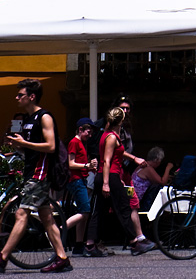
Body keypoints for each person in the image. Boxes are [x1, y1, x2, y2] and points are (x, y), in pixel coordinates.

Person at [0, 78, 72, 274]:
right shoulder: (27, 120)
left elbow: (51, 146)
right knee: (46, 217)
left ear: (32, 97)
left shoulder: (44, 117)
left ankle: (2, 257)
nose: (16, 98)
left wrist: (25, 144)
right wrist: (17, 145)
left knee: (21, 213)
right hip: (32, 171)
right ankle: (62, 258)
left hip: (40, 173)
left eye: (20, 95)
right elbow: (29, 150)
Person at [90, 107, 154, 254]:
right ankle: (134, 243)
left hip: (106, 175)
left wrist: (133, 159)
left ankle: (90, 244)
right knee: (124, 208)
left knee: (99, 211)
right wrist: (107, 183)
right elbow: (107, 160)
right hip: (110, 176)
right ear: (121, 121)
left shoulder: (106, 134)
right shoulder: (112, 137)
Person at [65, 119, 102, 257]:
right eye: (88, 132)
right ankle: (58, 230)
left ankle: (78, 245)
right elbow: (71, 164)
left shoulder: (81, 143)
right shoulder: (74, 142)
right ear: (80, 129)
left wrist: (89, 165)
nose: (90, 135)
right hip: (76, 180)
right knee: (85, 211)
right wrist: (87, 166)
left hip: (81, 179)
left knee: (83, 213)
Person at [130, 147, 170, 212]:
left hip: (134, 197)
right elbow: (163, 182)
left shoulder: (141, 166)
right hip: (139, 200)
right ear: (157, 160)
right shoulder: (148, 169)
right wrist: (168, 168)